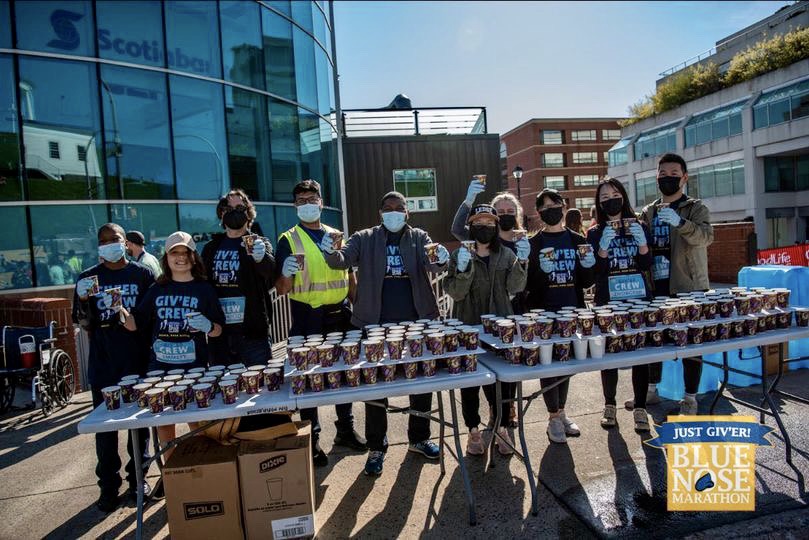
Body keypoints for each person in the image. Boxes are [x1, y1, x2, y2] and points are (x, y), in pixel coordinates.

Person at [321, 191, 450, 476]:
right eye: (388, 208)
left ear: (407, 213)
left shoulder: (419, 237)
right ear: (380, 213)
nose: (393, 212)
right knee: (375, 388)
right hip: (374, 324)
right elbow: (341, 260)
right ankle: (376, 447)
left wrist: (442, 258)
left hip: (415, 322)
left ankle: (419, 438)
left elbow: (434, 263)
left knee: (420, 383)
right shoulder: (364, 238)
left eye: (399, 208)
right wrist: (329, 251)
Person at [275, 179, 365, 466]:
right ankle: (311, 440)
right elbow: (281, 289)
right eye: (301, 200)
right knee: (308, 380)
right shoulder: (287, 239)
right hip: (307, 318)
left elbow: (349, 276)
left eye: (311, 199)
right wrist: (286, 273)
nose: (307, 204)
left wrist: (359, 308)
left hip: (340, 315)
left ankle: (346, 430)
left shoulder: (336, 235)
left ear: (321, 202)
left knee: (344, 375)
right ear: (295, 206)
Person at [72, 223, 155, 512]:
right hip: (105, 363)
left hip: (137, 361)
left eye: (115, 239)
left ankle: (138, 480)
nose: (109, 244)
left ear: (125, 242)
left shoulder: (141, 274)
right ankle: (108, 486)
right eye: (103, 240)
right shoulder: (88, 278)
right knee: (105, 431)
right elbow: (83, 324)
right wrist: (83, 300)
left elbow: (151, 316)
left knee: (139, 427)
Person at [123, 232, 225, 457]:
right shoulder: (157, 289)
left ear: (194, 257)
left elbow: (218, 330)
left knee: (197, 423)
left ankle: (202, 471)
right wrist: (116, 309)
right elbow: (134, 324)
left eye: (185, 252)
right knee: (164, 424)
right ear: (166, 258)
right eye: (174, 253)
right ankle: (172, 475)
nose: (180, 258)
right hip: (160, 371)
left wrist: (208, 325)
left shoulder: (204, 289)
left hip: (195, 370)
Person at [444, 204, 528, 455]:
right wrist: (462, 270)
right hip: (467, 327)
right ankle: (472, 431)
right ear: (471, 226)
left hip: (499, 329)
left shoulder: (505, 255)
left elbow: (516, 287)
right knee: (469, 383)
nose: (485, 227)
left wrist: (522, 260)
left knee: (500, 383)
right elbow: (455, 292)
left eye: (490, 223)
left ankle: (502, 427)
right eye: (479, 223)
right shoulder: (460, 254)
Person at [636, 153, 713, 415]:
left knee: (691, 344)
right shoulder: (648, 211)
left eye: (673, 173)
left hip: (689, 287)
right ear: (656, 177)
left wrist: (681, 223)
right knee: (654, 341)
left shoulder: (695, 207)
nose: (667, 178)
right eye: (662, 174)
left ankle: (690, 397)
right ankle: (650, 390)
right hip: (656, 287)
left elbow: (705, 238)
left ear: (684, 177)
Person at [525, 189, 596, 444]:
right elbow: (528, 285)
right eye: (544, 207)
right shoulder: (533, 244)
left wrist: (589, 266)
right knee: (549, 365)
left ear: (564, 207)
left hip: (571, 310)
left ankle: (562, 412)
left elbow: (586, 282)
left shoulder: (578, 241)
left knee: (565, 365)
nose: (551, 209)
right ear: (539, 213)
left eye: (555, 204)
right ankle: (553, 417)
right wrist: (539, 271)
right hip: (544, 313)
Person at [587, 179, 653, 432]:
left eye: (614, 194)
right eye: (604, 197)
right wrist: (602, 248)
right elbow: (595, 272)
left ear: (623, 197)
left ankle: (640, 407)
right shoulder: (594, 233)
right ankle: (609, 405)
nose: (610, 200)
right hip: (608, 303)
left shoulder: (640, 226)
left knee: (640, 356)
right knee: (610, 356)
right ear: (599, 203)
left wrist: (643, 244)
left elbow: (647, 265)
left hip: (637, 300)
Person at [201, 189, 276, 366]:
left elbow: (271, 274)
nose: (234, 212)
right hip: (220, 333)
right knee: (225, 389)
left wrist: (261, 258)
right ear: (221, 214)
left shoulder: (258, 242)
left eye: (240, 207)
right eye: (228, 208)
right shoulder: (211, 248)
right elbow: (202, 283)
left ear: (248, 214)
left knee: (260, 387)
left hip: (252, 333)